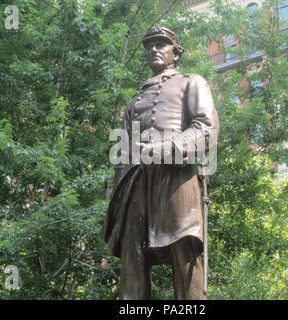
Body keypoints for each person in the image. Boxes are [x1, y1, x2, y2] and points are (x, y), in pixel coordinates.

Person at [101, 26, 219, 300]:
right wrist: (116, 199)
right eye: (149, 46)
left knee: (184, 251)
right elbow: (123, 152)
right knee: (132, 255)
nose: (153, 49)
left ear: (175, 53)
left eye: (161, 44)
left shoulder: (192, 82)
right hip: (136, 183)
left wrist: (165, 149)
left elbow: (206, 127)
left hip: (176, 177)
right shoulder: (135, 99)